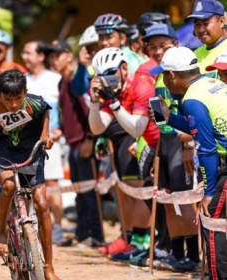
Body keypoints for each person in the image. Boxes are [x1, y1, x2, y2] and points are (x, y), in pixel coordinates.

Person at [0, 68, 60, 280]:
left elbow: (45, 109)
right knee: (8, 186)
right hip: (2, 149)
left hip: (30, 148)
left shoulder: (34, 102)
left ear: (25, 92)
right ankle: (1, 231)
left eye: (18, 98)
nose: (14, 104)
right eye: (8, 99)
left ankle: (49, 267)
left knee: (42, 203)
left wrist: (45, 134)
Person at [150, 45, 226, 280]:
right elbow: (204, 129)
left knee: (213, 226)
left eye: (163, 75)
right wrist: (170, 117)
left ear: (172, 75)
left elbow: (207, 148)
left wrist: (209, 191)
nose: (163, 81)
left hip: (223, 163)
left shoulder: (192, 99)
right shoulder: (214, 85)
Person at [89, 47, 159, 262]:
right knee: (142, 193)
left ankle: (160, 246)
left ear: (124, 68)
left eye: (111, 73)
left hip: (163, 141)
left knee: (153, 195)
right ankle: (139, 244)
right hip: (147, 144)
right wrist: (94, 102)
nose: (108, 80)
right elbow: (97, 128)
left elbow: (136, 128)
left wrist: (115, 104)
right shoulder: (117, 92)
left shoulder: (141, 85)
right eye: (102, 77)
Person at [142, 24, 200, 272]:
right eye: (152, 47)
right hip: (163, 144)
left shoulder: (181, 74)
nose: (157, 50)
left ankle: (193, 256)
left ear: (175, 44)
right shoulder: (157, 74)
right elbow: (159, 117)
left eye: (163, 45)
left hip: (181, 143)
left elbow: (189, 115)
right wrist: (156, 146)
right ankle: (176, 253)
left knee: (185, 200)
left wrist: (188, 144)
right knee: (167, 200)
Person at [49, 38, 104, 247]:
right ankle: (82, 233)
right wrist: (59, 130)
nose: (54, 61)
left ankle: (96, 236)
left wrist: (90, 139)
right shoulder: (61, 82)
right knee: (79, 193)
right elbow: (69, 117)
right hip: (72, 144)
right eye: (51, 57)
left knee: (90, 193)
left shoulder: (76, 80)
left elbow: (90, 110)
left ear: (69, 56)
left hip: (84, 143)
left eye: (57, 56)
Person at [20, 40, 67, 245]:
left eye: (28, 53)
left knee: (53, 184)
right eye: (23, 53)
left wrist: (59, 131)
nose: (24, 57)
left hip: (51, 140)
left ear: (41, 56)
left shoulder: (56, 79)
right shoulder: (22, 81)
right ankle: (28, 225)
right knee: (27, 185)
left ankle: (57, 227)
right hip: (25, 140)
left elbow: (67, 110)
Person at [186, 0, 227, 77]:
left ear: (222, 21)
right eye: (197, 24)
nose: (201, 29)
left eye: (205, 23)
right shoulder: (194, 55)